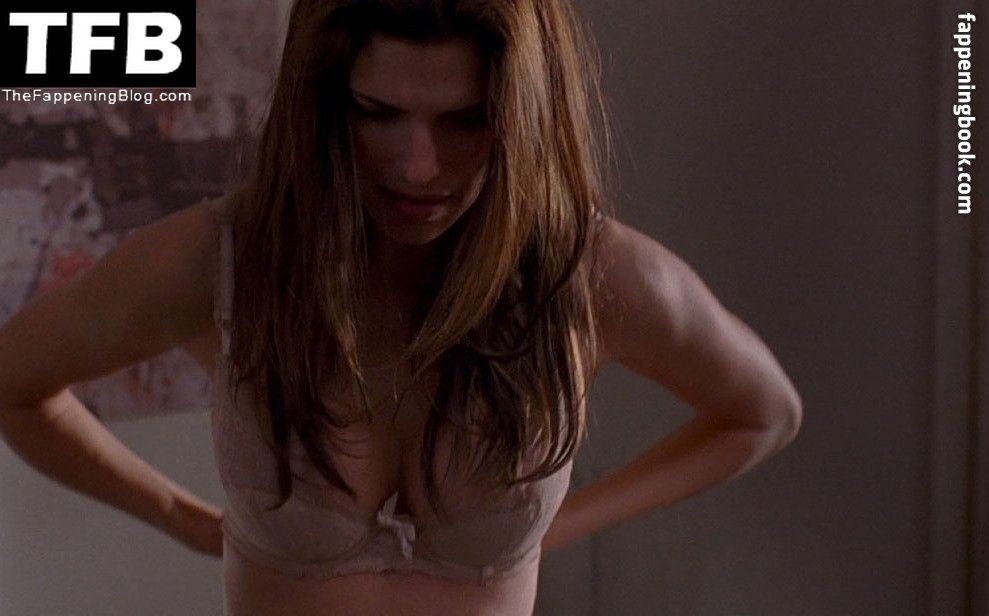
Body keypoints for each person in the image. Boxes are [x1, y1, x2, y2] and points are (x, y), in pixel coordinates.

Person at [0, 1, 803, 614]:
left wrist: (560, 525)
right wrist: (180, 516)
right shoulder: (220, 263)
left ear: (520, 116)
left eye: (465, 120)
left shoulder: (586, 275)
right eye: (377, 113)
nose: (419, 167)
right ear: (324, 103)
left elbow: (762, 414)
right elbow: (15, 382)